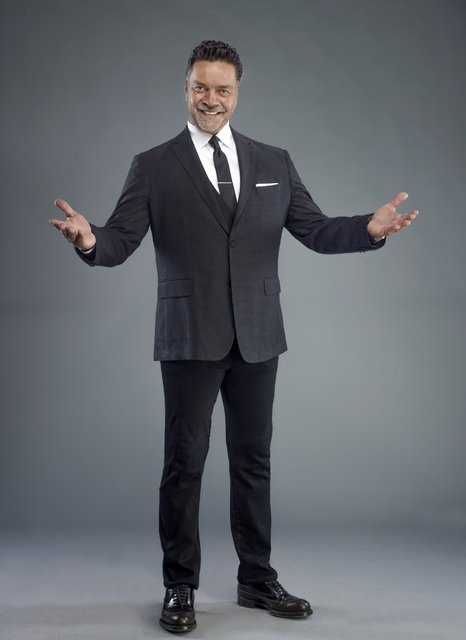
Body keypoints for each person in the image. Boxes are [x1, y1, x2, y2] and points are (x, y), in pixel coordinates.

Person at [50, 40, 418, 634]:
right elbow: (119, 239)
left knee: (253, 461)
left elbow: (316, 230)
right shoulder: (153, 165)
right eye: (200, 87)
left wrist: (368, 230)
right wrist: (89, 239)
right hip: (189, 334)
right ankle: (179, 585)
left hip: (258, 334)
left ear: (237, 93)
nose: (211, 99)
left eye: (222, 89)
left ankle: (256, 578)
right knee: (184, 464)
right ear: (185, 89)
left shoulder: (273, 161)